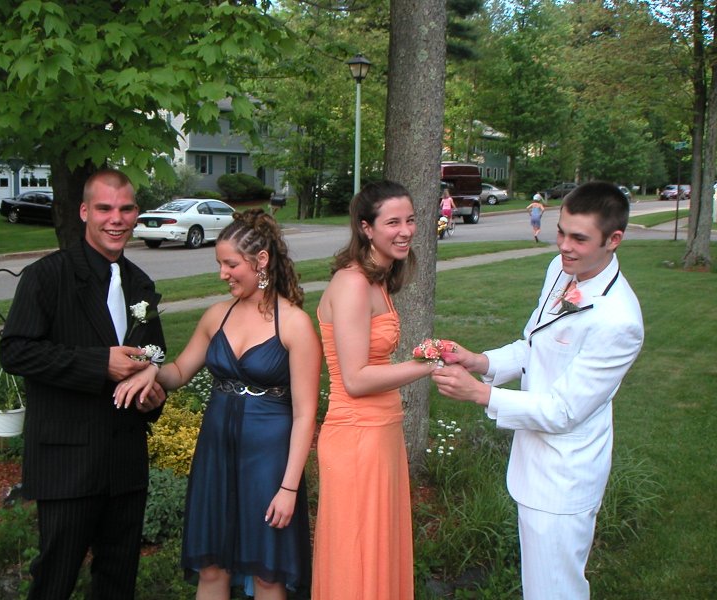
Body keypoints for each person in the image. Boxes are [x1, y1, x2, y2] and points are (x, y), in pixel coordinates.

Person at [432, 181, 644, 600]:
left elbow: (564, 410)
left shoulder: (620, 321)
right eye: (561, 231)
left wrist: (480, 394)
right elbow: (532, 345)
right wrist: (479, 361)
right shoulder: (560, 270)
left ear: (614, 240)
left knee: (554, 591)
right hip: (534, 467)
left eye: (579, 238)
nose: (563, 245)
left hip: (565, 477)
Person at [115, 208, 320, 599]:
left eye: (231, 264)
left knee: (267, 572)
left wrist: (289, 487)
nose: (222, 274)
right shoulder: (216, 316)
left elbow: (305, 413)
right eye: (219, 264)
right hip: (216, 454)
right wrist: (149, 370)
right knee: (211, 566)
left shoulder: (294, 324)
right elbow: (178, 371)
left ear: (261, 261)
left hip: (269, 461)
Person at [0, 169, 167, 599]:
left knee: (117, 583)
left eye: (126, 209)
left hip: (126, 462)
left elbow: (153, 359)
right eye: (105, 208)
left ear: (136, 213)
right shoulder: (47, 276)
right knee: (54, 582)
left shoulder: (140, 284)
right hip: (67, 464)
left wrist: (153, 395)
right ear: (84, 211)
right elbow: (15, 351)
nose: (116, 219)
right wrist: (98, 364)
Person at [312, 180, 437, 600]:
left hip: (381, 432)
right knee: (357, 554)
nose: (406, 231)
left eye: (410, 220)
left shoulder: (378, 279)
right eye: (393, 222)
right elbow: (356, 379)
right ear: (366, 228)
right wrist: (425, 365)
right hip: (356, 436)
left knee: (378, 550)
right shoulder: (352, 283)